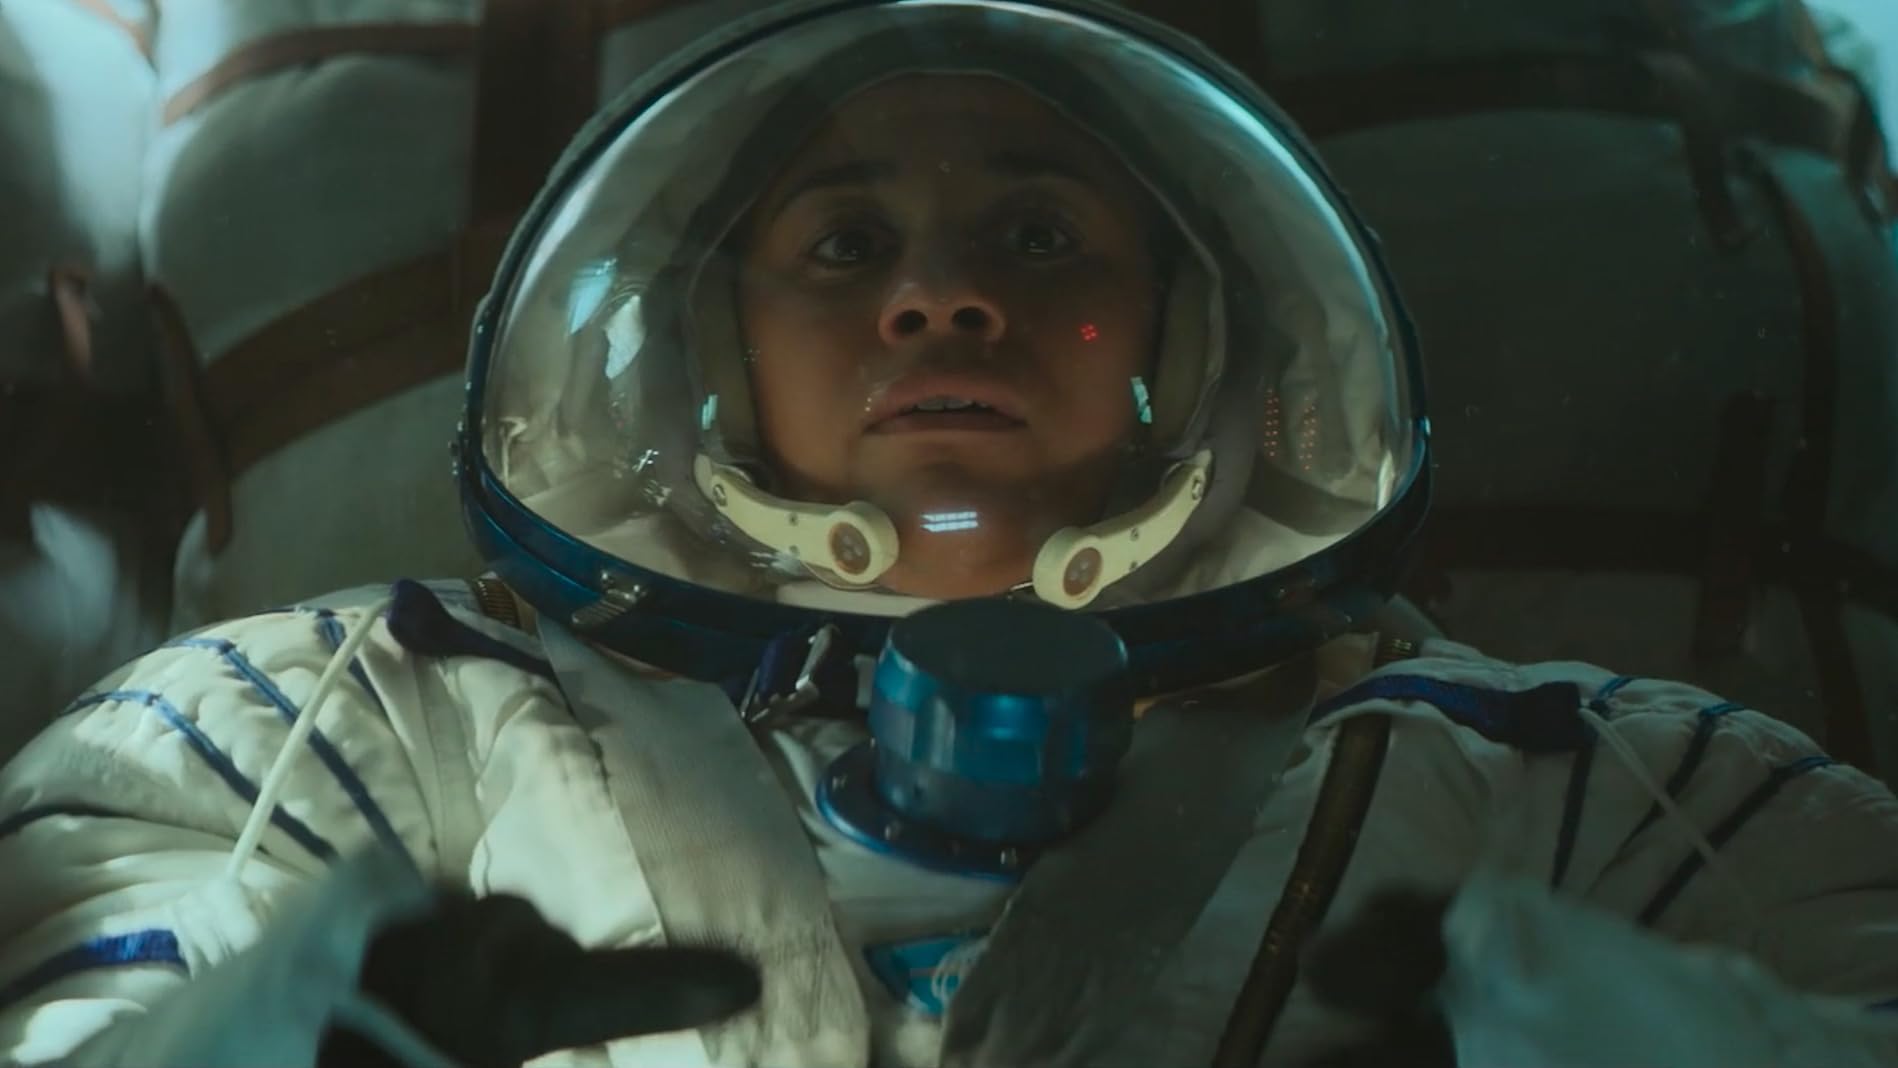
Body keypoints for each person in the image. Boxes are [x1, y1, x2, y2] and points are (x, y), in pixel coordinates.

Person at [3, 2, 1898, 1066]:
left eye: (1038, 234)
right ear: (708, 353)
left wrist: (1632, 1035)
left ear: (1190, 334)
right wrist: (296, 1034)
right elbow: (82, 997)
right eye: (843, 245)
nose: (940, 297)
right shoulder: (350, 715)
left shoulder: (1573, 778)